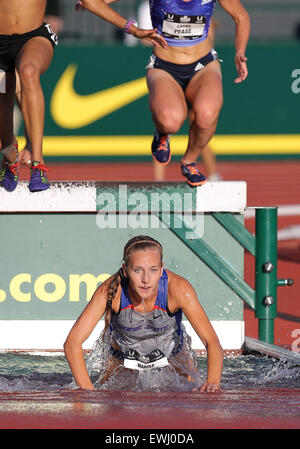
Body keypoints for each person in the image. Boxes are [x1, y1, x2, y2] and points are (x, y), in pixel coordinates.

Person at [76, 0, 249, 187]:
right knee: (171, 121)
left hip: (203, 66)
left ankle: (189, 161)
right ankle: (162, 132)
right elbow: (91, 2)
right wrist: (132, 29)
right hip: (164, 68)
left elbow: (241, 17)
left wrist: (240, 51)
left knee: (207, 114)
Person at [64, 235, 223, 392]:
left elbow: (211, 340)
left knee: (190, 390)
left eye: (153, 270)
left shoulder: (179, 289)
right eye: (138, 270)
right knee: (110, 396)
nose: (146, 279)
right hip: (123, 359)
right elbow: (72, 342)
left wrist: (213, 382)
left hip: (172, 356)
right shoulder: (111, 291)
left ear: (161, 269)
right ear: (125, 270)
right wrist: (87, 393)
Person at [0, 0, 58, 192]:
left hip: (33, 36)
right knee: (3, 89)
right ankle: (9, 156)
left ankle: (38, 162)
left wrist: (128, 27)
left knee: (28, 71)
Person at [16, 0, 63, 167]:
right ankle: (9, 148)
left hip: (31, 36)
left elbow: (55, 18)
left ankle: (36, 158)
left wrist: (130, 28)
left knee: (25, 75)